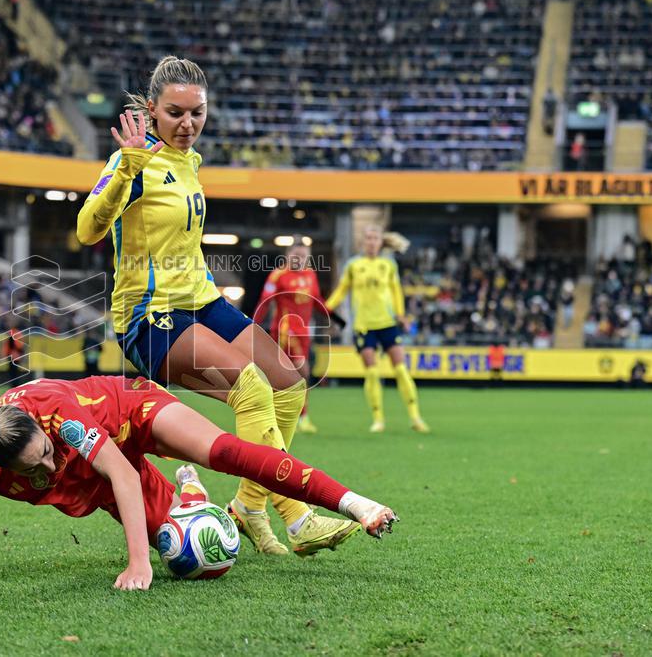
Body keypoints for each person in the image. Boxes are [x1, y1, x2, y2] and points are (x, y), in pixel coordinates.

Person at [76, 56, 354, 556]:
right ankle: (296, 515)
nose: (188, 124)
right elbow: (87, 229)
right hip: (151, 315)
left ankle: (247, 506)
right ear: (152, 110)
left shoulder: (191, 162)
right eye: (175, 113)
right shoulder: (130, 161)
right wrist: (127, 169)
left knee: (289, 386)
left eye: (197, 113)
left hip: (203, 301)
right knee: (251, 388)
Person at [0, 376, 399, 591]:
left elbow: (119, 469)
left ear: (43, 430)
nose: (47, 468)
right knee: (199, 561)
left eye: (47, 454)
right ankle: (193, 499)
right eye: (33, 471)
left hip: (130, 412)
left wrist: (136, 563)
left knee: (229, 453)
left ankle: (356, 503)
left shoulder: (59, 416)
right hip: (99, 484)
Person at [326, 226, 429, 433]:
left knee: (401, 369)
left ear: (381, 242)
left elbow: (396, 291)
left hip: (387, 323)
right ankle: (378, 419)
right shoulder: (353, 265)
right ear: (363, 242)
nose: (372, 242)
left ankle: (415, 417)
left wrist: (401, 315)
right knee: (372, 372)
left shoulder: (388, 265)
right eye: (369, 238)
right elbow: (342, 289)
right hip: (364, 326)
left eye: (375, 238)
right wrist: (327, 306)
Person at [253, 242, 333, 434]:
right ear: (288, 255)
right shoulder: (278, 275)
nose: (300, 259)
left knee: (285, 376)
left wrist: (333, 316)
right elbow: (265, 302)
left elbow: (317, 300)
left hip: (304, 332)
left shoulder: (310, 274)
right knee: (301, 372)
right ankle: (301, 417)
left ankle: (284, 416)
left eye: (304, 256)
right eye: (296, 255)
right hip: (285, 331)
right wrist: (253, 325)